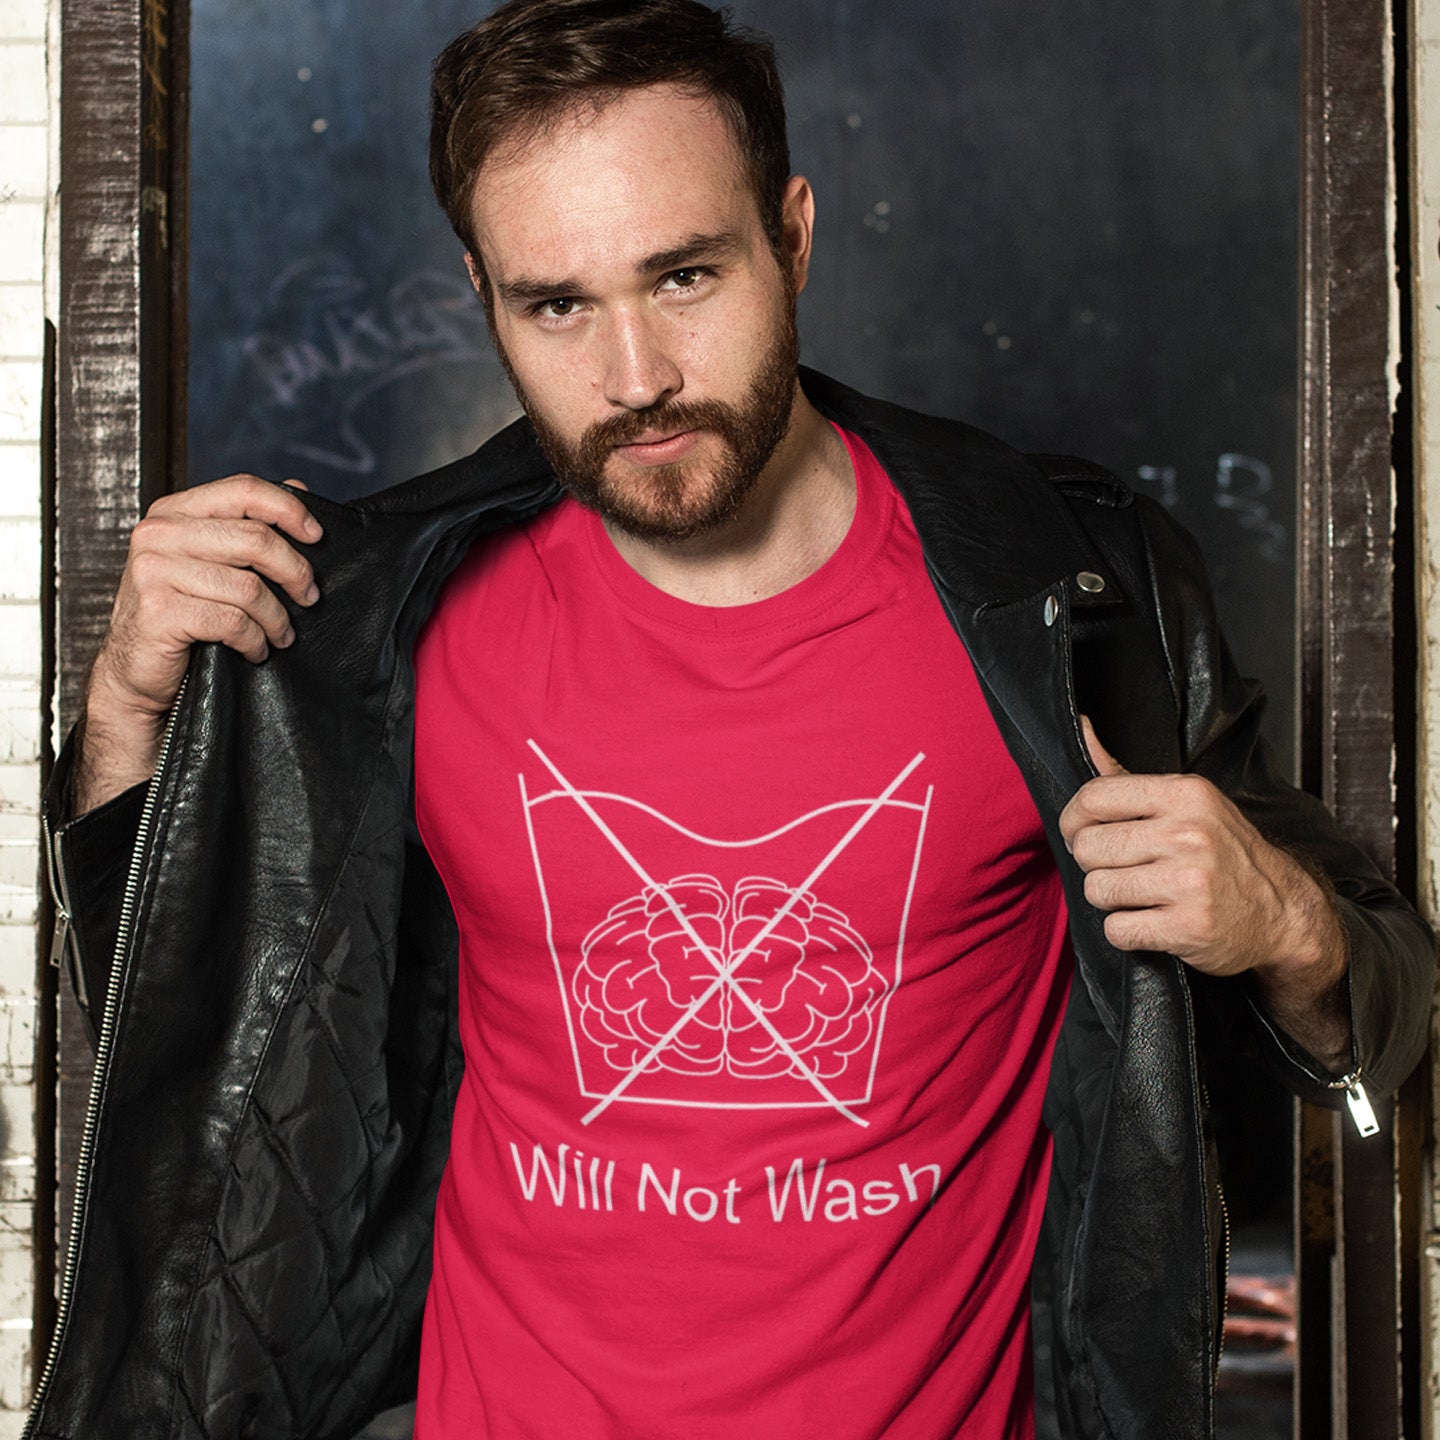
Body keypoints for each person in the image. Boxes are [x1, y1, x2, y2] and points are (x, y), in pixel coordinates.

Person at [28, 2, 1433, 1438]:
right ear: (482, 293)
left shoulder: (1067, 595)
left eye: (684, 274)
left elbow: (1378, 1012)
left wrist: (1289, 928)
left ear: (795, 235)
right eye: (556, 304)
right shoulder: (382, 622)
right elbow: (187, 1043)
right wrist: (132, 703)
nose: (633, 376)